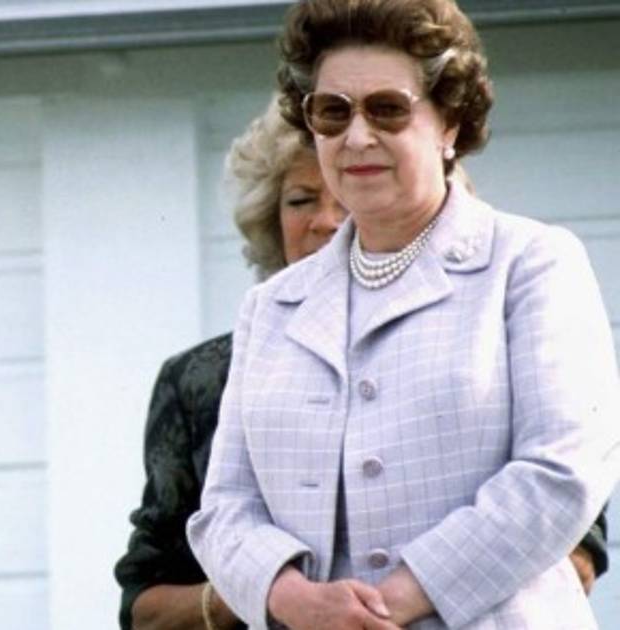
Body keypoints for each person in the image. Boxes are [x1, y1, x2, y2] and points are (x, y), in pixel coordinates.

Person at [186, 1, 620, 629]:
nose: (357, 137)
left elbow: (563, 472)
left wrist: (385, 605)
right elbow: (225, 507)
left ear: (450, 124)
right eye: (333, 112)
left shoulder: (530, 263)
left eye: (387, 108)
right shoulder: (271, 307)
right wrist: (294, 599)